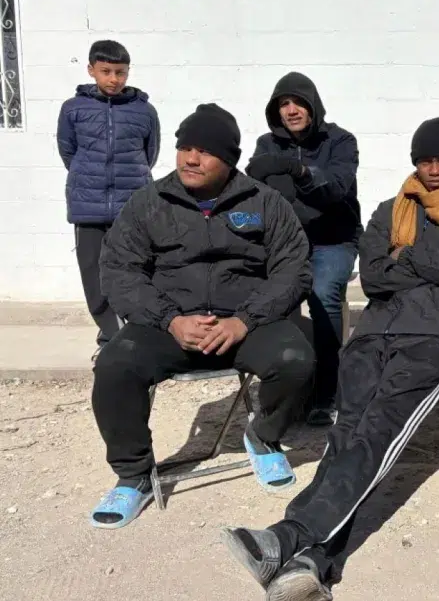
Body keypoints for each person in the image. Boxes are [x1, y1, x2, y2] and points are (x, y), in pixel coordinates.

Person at [220, 117, 439, 598]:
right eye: (425, 160)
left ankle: (286, 537)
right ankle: (312, 563)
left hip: (437, 338)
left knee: (377, 430)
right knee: (347, 433)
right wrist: (426, 269)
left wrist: (408, 259)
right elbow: (373, 278)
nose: (434, 169)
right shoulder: (388, 210)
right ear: (415, 162)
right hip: (375, 334)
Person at [88, 104, 316, 530]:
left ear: (229, 159)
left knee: (297, 358)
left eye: (205, 151)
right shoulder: (148, 202)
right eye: (185, 148)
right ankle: (133, 475)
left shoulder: (265, 203)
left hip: (246, 324)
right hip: (168, 326)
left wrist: (245, 320)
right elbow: (119, 270)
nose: (191, 159)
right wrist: (170, 319)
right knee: (116, 366)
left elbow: (293, 268)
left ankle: (263, 437)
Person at [246, 72, 362, 427]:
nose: (292, 110)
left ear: (313, 106)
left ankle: (327, 393)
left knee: (324, 294)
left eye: (298, 102)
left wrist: (299, 170)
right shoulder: (267, 144)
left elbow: (336, 189)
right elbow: (254, 193)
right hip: (284, 243)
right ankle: (286, 390)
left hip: (333, 239)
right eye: (284, 104)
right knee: (267, 299)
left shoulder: (340, 141)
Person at [57, 39, 160, 356]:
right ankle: (112, 336)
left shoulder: (144, 110)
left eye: (121, 72)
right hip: (88, 208)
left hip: (132, 208)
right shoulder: (73, 109)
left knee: (137, 271)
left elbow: (150, 154)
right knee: (94, 274)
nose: (114, 79)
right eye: (106, 71)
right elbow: (68, 152)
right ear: (91, 70)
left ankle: (138, 332)